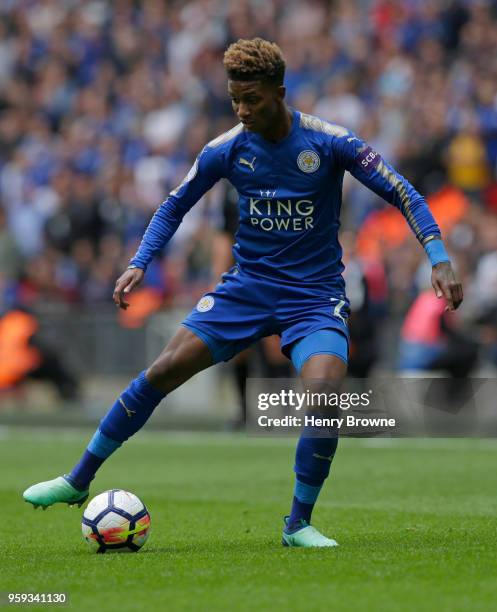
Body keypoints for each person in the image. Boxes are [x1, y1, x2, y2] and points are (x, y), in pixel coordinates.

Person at [23, 38, 463, 548]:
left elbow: (403, 191)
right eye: (235, 99)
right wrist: (140, 262)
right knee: (163, 369)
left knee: (324, 396)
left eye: (252, 99)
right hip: (246, 289)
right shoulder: (227, 148)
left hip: (313, 295)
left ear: (279, 92)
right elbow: (173, 204)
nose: (242, 109)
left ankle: (297, 524)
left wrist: (439, 257)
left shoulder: (330, 142)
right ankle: (78, 479)